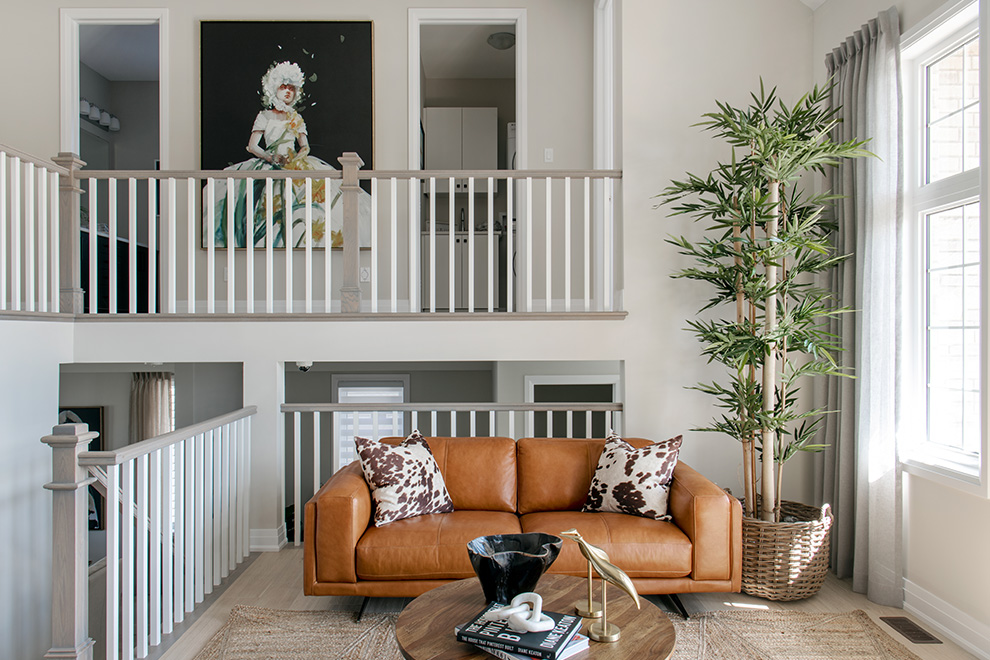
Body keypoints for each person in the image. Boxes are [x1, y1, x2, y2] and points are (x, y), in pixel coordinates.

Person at [208, 61, 371, 248]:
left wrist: (297, 159)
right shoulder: (265, 116)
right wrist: (271, 158)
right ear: (274, 88)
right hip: (270, 163)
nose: (287, 91)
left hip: (293, 163)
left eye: (291, 88)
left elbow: (305, 146)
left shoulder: (296, 118)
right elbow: (252, 146)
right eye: (283, 87)